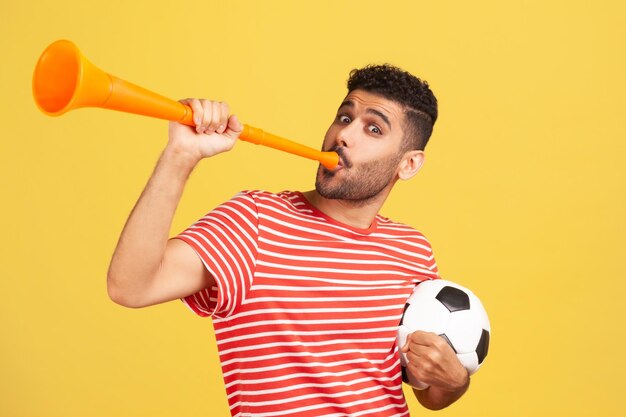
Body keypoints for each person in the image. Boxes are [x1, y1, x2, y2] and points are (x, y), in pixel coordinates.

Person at [107, 64, 470, 416]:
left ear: (408, 164)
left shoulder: (413, 250)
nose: (344, 135)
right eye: (345, 118)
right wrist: (180, 155)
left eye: (373, 129)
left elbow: (426, 390)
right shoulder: (254, 221)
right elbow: (131, 286)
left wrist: (453, 382)